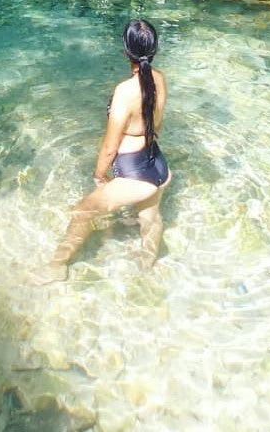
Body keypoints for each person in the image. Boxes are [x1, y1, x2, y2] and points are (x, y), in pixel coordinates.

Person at [38, 18, 171, 282]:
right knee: (150, 218)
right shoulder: (160, 78)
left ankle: (57, 266)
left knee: (82, 211)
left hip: (134, 173)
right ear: (154, 49)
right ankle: (147, 266)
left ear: (125, 51)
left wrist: (99, 175)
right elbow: (157, 123)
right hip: (158, 165)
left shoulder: (125, 91)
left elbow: (110, 147)